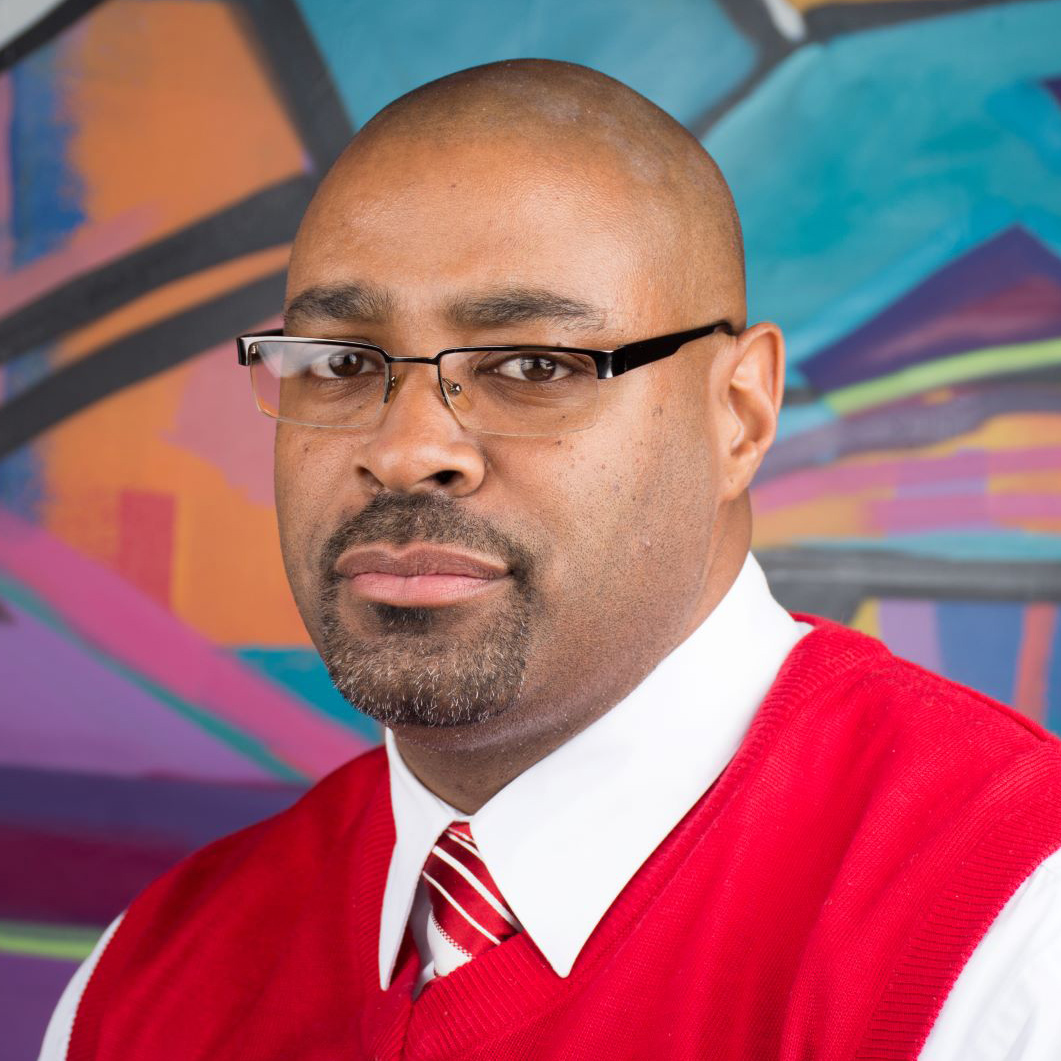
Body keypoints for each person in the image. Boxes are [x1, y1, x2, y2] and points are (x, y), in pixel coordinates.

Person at [40, 59, 1061, 1061]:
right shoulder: (139, 983)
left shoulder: (1008, 929)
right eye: (343, 363)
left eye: (533, 366)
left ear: (738, 414)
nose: (403, 449)